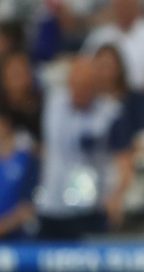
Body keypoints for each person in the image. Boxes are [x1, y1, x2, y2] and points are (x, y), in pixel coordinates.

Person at [34, 55, 135, 238]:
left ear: (96, 85)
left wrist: (116, 197)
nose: (80, 90)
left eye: (86, 85)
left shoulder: (110, 114)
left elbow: (124, 161)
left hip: (89, 208)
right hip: (50, 205)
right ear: (69, 83)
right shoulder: (52, 104)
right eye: (76, 84)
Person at [0, 107, 37, 239]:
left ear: (6, 124)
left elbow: (30, 203)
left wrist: (5, 225)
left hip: (18, 236)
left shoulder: (25, 159)